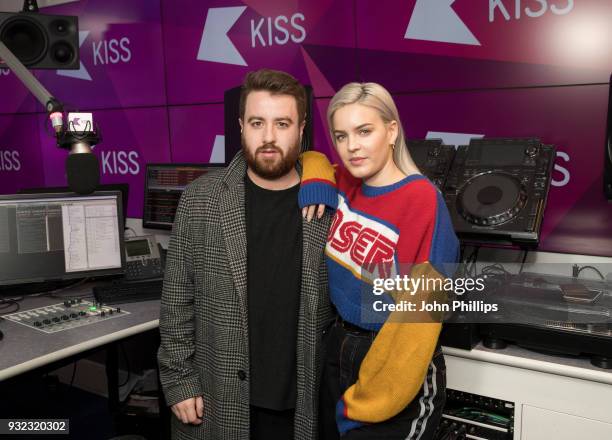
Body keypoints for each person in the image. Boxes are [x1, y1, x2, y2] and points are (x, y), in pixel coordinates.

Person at [158, 68, 334, 440]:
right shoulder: (200, 199)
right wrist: (179, 380)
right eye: (257, 122)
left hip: (301, 403)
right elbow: (177, 299)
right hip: (219, 397)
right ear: (241, 126)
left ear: (301, 128)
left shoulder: (330, 203)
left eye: (282, 123)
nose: (269, 137)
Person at [298, 82, 459, 439]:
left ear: (392, 130)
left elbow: (416, 323)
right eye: (340, 136)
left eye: (364, 131)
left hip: (395, 360)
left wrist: (369, 401)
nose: (351, 146)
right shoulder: (346, 182)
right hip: (338, 346)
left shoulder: (422, 200)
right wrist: (315, 176)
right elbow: (311, 157)